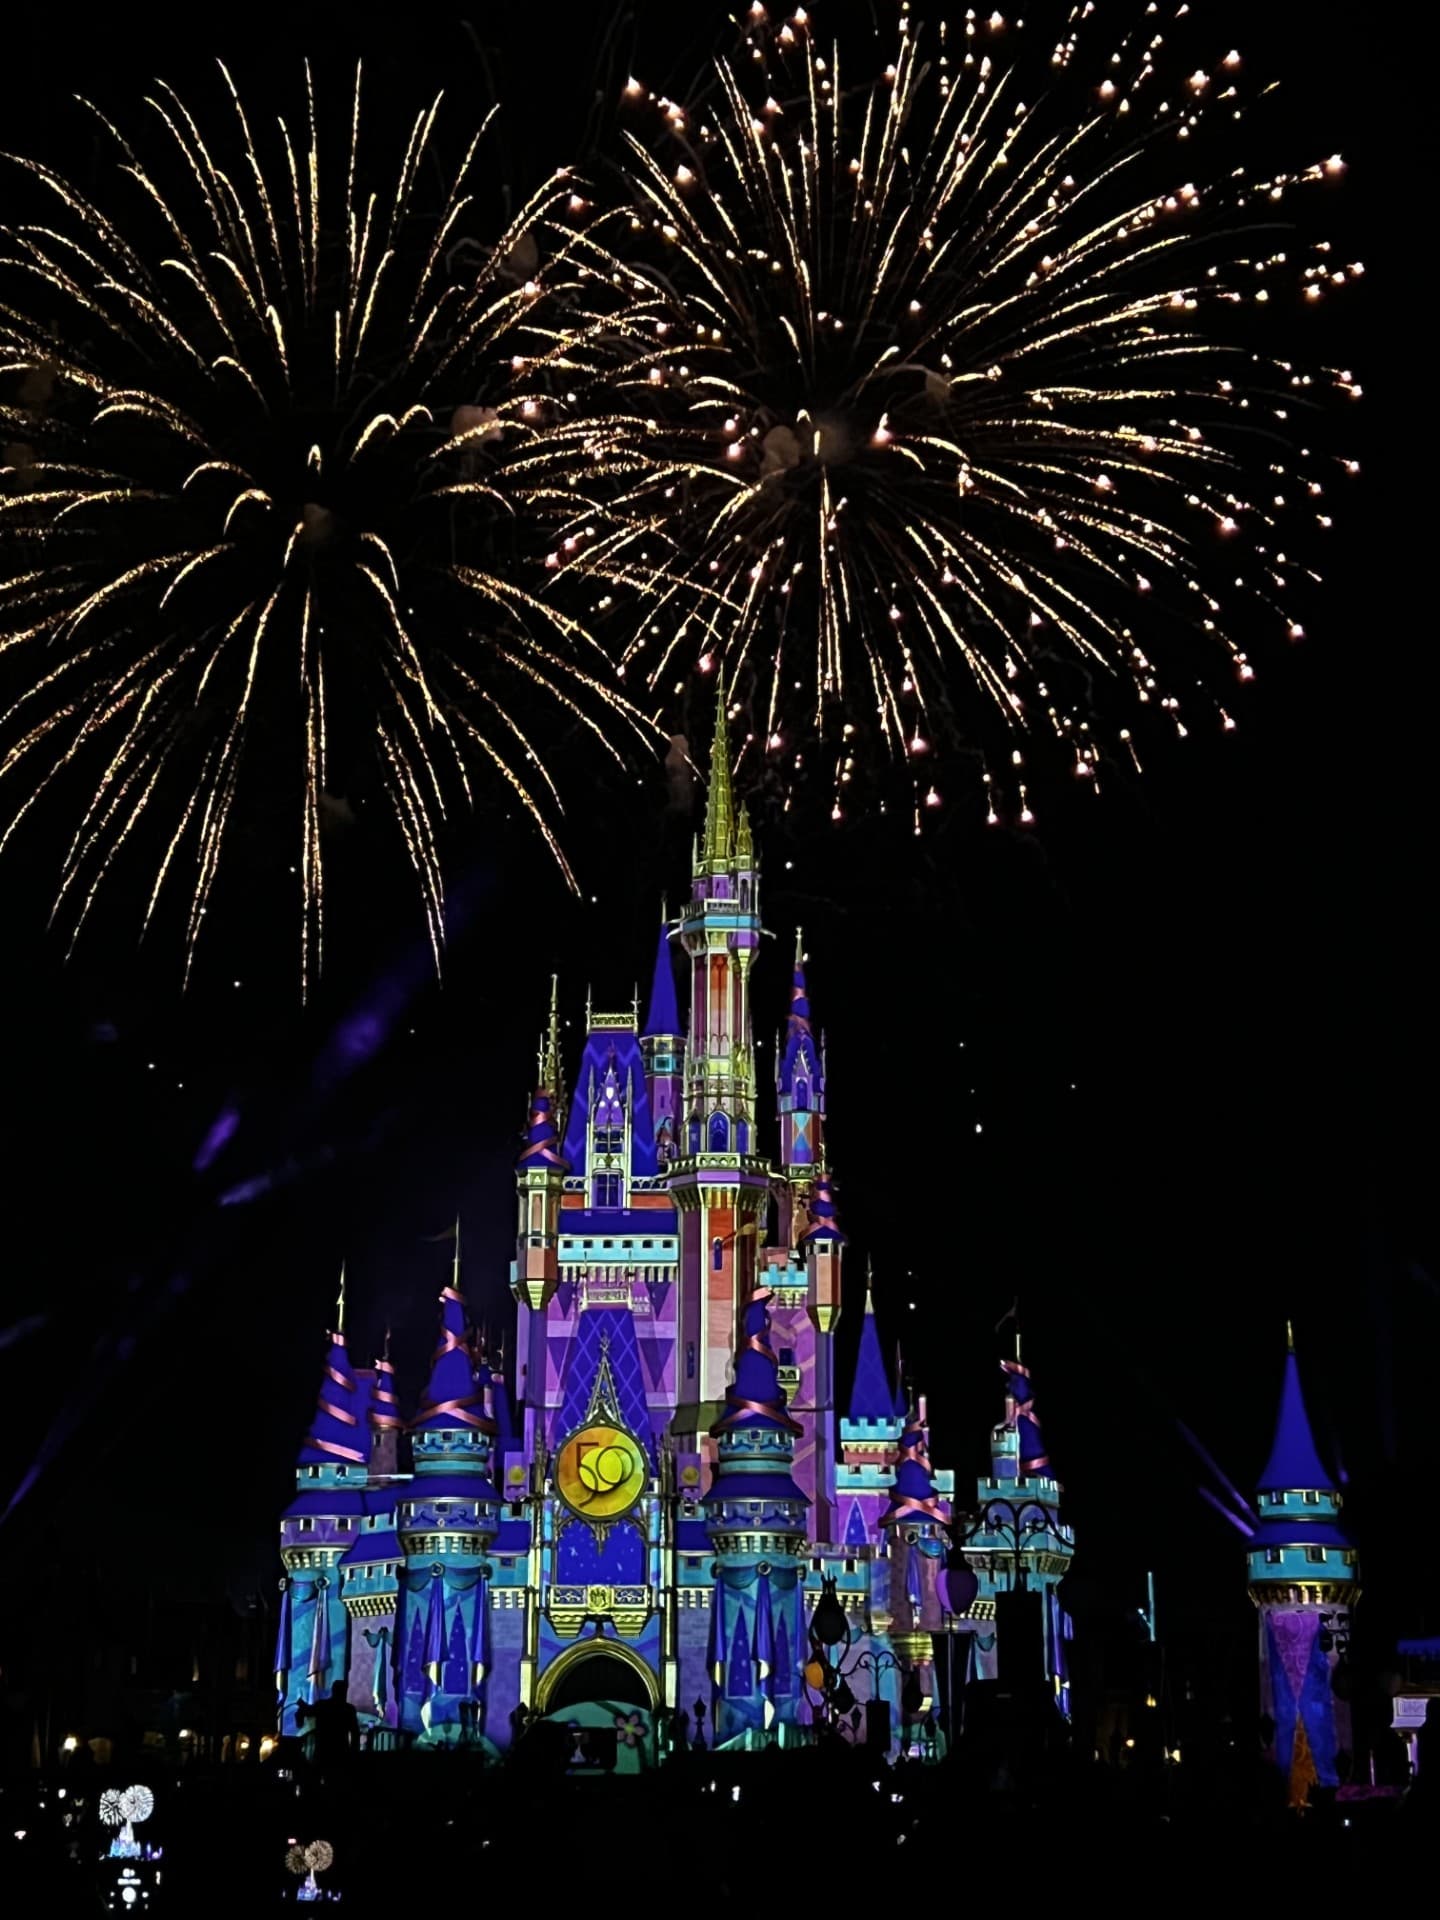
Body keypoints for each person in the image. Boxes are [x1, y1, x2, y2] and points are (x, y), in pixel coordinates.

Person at [298, 1680, 360, 1771]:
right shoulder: (349, 1709)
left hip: (322, 1751)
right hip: (341, 1752)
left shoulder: (322, 1705)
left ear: (333, 1690)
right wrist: (354, 1753)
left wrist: (300, 1703)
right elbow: (355, 1733)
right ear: (345, 1691)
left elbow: (308, 1711)